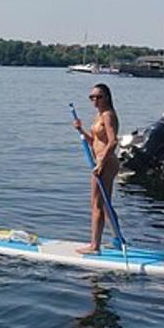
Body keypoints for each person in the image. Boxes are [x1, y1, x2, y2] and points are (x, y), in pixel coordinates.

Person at [71, 84, 120, 254]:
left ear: (107, 97)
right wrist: (81, 130)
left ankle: (95, 246)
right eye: (91, 97)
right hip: (101, 161)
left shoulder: (108, 115)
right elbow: (95, 142)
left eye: (98, 97)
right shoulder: (98, 115)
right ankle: (118, 239)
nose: (95, 100)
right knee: (105, 204)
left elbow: (113, 141)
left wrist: (101, 163)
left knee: (97, 204)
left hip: (105, 162)